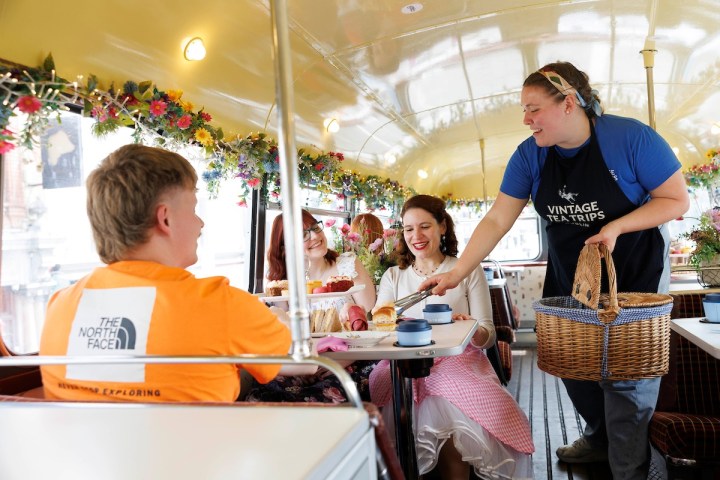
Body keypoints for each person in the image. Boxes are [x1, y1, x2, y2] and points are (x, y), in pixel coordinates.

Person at [420, 62, 690, 479]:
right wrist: (456, 274)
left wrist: (616, 226)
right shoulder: (531, 155)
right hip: (572, 274)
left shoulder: (630, 138)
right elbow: (496, 220)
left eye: (533, 108)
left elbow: (675, 200)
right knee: (572, 365)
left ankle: (630, 470)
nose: (526, 120)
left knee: (625, 380)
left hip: (635, 271)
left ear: (568, 103)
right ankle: (599, 439)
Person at [39, 144, 312, 403]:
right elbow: (305, 364)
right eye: (193, 209)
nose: (200, 223)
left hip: (80, 452)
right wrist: (281, 318)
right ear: (165, 218)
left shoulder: (59, 307)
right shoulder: (221, 305)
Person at [369, 194, 534, 480]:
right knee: (393, 388)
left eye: (425, 226)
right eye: (409, 229)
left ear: (442, 227)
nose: (416, 236)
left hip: (458, 360)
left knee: (446, 403)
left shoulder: (466, 271)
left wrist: (470, 327)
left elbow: (488, 335)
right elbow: (381, 324)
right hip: (403, 362)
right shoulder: (393, 277)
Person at [245, 210, 377, 402]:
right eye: (303, 235)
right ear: (285, 248)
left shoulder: (347, 266)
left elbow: (369, 322)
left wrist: (338, 361)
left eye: (315, 228)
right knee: (262, 394)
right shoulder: (283, 284)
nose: (315, 236)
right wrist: (300, 367)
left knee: (307, 399)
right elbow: (283, 337)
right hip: (303, 363)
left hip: (349, 358)